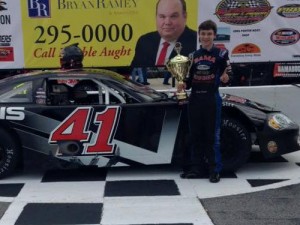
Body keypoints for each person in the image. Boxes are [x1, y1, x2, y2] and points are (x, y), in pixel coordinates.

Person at [178, 20, 232, 183]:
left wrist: (226, 78)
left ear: (214, 35)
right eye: (203, 34)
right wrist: (182, 84)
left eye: (209, 34)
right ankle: (196, 168)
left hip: (211, 99)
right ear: (199, 36)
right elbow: (188, 79)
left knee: (212, 136)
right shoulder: (193, 56)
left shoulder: (222, 54)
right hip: (195, 99)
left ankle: (214, 170)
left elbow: (229, 76)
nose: (206, 37)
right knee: (195, 135)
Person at [130, 0, 197, 85]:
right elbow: (132, 71)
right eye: (162, 16)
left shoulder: (196, 42)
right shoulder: (144, 41)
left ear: (185, 16)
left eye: (173, 16)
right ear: (156, 17)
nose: (167, 22)